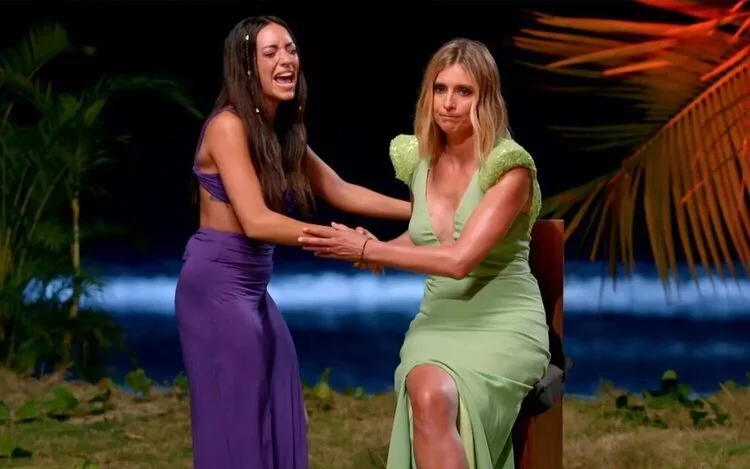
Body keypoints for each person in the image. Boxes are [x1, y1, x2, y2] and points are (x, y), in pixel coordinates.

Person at [298, 38, 551, 469]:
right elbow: (424, 239)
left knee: (437, 397)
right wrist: (374, 252)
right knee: (428, 392)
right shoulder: (420, 160)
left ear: (486, 98)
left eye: (464, 91)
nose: (448, 103)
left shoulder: (509, 168)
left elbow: (459, 260)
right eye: (440, 88)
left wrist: (372, 248)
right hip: (439, 319)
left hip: (504, 322)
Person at [173, 15, 410, 469]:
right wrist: (339, 240)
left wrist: (423, 211)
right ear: (246, 66)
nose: (287, 60)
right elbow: (256, 222)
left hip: (254, 291)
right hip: (216, 289)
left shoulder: (279, 131)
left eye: (291, 49)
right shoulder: (228, 127)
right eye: (271, 52)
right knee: (241, 425)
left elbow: (341, 190)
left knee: (282, 414)